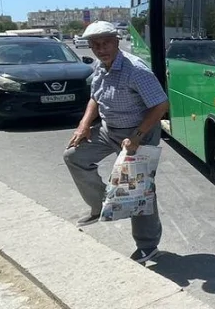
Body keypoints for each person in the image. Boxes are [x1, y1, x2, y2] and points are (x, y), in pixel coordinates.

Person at [63, 21, 169, 264]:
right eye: (96, 45)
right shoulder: (101, 67)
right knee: (73, 157)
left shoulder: (136, 70)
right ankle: (102, 204)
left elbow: (161, 105)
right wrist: (84, 124)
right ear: (90, 47)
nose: (102, 49)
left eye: (106, 43)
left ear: (116, 42)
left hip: (138, 133)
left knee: (138, 188)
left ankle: (148, 246)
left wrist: (137, 137)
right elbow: (95, 98)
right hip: (109, 130)